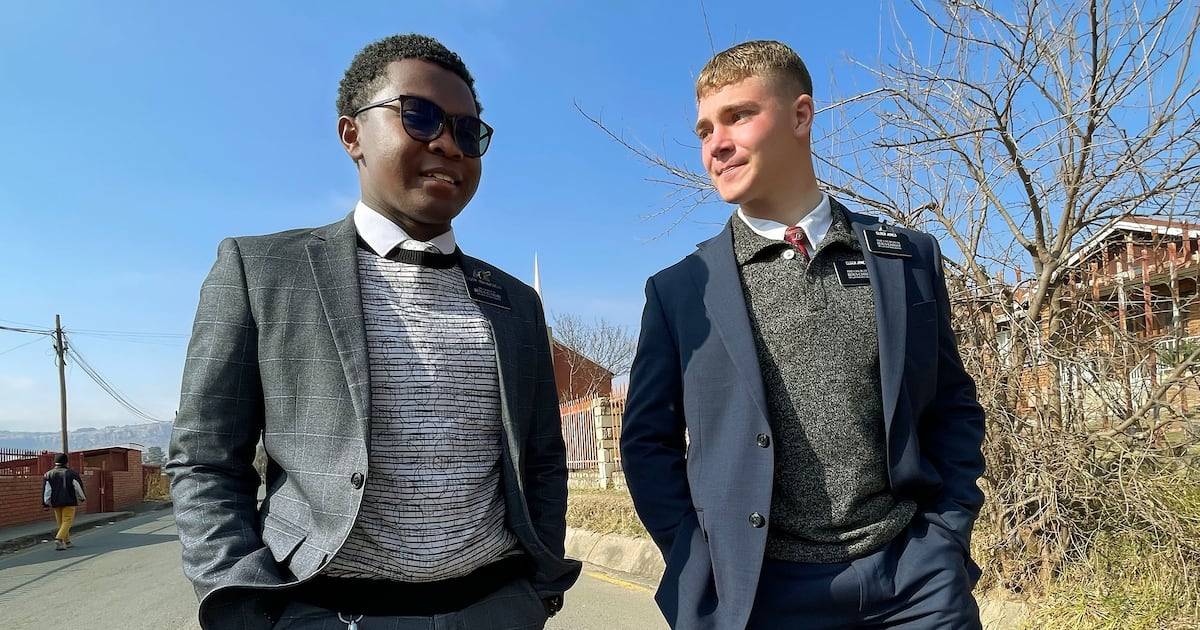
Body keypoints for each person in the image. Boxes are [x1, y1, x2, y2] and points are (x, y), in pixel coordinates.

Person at [166, 33, 580, 630]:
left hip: (498, 607)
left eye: (468, 132)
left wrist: (536, 594)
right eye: (420, 116)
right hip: (324, 611)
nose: (448, 143)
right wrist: (243, 600)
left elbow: (541, 458)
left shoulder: (515, 302)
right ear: (352, 134)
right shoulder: (262, 272)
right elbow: (206, 459)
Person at [620, 40, 986, 629]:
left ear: (800, 115)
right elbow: (647, 445)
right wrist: (699, 566)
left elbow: (953, 405)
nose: (716, 144)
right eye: (705, 130)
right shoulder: (680, 292)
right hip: (760, 599)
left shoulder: (906, 258)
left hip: (915, 584)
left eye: (738, 116)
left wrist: (946, 534)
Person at [42, 452, 86, 551]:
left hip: (56, 502)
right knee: (67, 521)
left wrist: (45, 503)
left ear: (55, 462)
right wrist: (82, 497)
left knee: (61, 523)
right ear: (66, 462)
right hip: (69, 501)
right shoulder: (72, 473)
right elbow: (77, 487)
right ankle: (59, 539)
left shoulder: (48, 474)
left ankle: (67, 542)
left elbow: (47, 490)